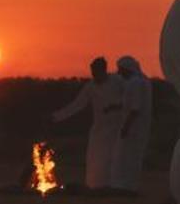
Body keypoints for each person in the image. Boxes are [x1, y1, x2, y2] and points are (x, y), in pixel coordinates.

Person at [50, 56, 125, 190]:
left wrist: (115, 106)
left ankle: (113, 186)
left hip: (117, 127)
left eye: (96, 71)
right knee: (95, 156)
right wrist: (57, 116)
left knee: (113, 156)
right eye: (93, 72)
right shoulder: (90, 86)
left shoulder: (117, 81)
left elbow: (128, 99)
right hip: (100, 127)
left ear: (104, 69)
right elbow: (78, 104)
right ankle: (96, 186)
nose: (94, 74)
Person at [114, 56, 153, 192]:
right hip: (137, 125)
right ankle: (128, 186)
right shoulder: (140, 81)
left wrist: (126, 126)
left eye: (120, 69)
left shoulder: (135, 83)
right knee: (132, 155)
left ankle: (126, 186)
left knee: (128, 155)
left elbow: (135, 108)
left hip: (134, 126)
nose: (119, 73)